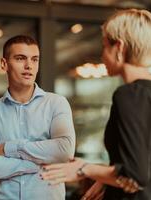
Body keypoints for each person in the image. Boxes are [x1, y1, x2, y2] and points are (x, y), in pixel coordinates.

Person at [41, 9, 151, 200]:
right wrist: (106, 178)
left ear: (119, 47)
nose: (102, 55)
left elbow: (135, 175)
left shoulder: (129, 95)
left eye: (104, 46)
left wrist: (85, 169)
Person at [0, 35, 76, 199]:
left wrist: (9, 149)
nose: (29, 66)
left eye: (34, 60)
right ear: (4, 64)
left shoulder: (56, 103)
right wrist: (36, 163)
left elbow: (64, 150)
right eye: (20, 58)